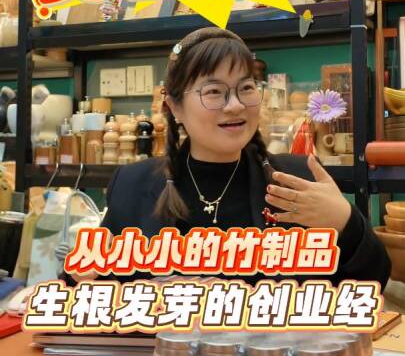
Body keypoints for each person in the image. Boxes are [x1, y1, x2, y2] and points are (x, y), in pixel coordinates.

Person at [67, 26, 391, 289]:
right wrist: (77, 278)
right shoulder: (134, 184)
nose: (235, 105)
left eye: (246, 88)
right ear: (175, 107)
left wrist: (345, 222)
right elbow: (95, 285)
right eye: (213, 92)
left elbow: (371, 283)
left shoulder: (297, 180)